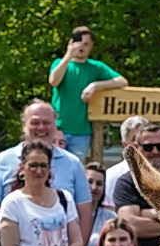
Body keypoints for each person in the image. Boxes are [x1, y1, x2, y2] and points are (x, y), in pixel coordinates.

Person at [0, 101, 94, 246]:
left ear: (55, 126)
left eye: (46, 123)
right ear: (24, 126)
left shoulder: (73, 164)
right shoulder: (1, 162)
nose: (41, 128)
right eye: (35, 122)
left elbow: (85, 215)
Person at [47, 27, 127, 160]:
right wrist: (68, 55)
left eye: (86, 44)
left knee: (76, 168)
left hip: (81, 133)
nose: (82, 48)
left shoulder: (96, 67)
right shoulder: (59, 63)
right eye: (79, 44)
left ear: (91, 46)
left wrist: (95, 85)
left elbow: (122, 81)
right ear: (71, 43)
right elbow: (53, 81)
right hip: (57, 129)